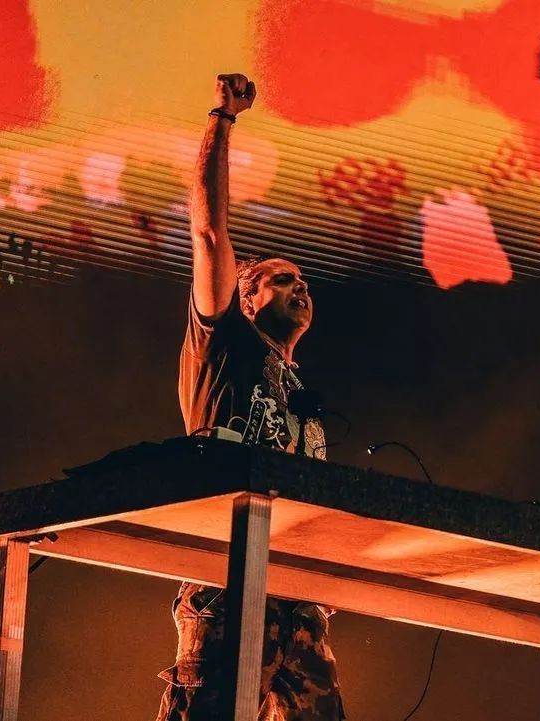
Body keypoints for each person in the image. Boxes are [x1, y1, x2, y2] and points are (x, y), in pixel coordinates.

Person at [156, 72, 345, 721]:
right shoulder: (225, 346)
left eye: (305, 281)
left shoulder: (304, 396)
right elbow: (209, 234)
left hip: (300, 608)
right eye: (281, 279)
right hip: (228, 586)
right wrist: (222, 119)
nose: (301, 287)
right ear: (245, 299)